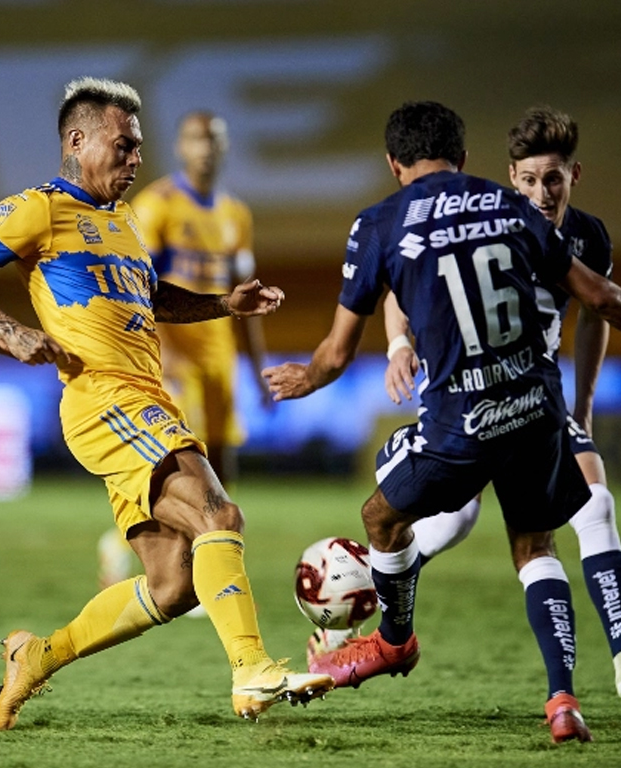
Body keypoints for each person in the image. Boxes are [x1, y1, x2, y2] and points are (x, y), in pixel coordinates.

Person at [0, 76, 334, 730]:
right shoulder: (39, 209)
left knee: (172, 585)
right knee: (217, 509)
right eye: (123, 146)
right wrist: (7, 331)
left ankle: (36, 655)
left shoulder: (121, 223)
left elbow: (152, 298)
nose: (136, 159)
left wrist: (224, 304)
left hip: (143, 399)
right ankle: (253, 668)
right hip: (102, 397)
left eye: (139, 148)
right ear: (77, 139)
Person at [263, 101, 621, 744]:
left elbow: (337, 354)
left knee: (380, 513)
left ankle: (394, 641)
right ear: (462, 157)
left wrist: (304, 378)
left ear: (394, 163)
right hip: (537, 408)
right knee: (536, 547)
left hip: (460, 418)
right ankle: (562, 701)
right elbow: (600, 298)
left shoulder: (379, 222)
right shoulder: (509, 205)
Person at [96, 111, 269, 593]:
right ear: (179, 147)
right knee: (184, 466)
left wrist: (258, 369)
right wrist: (164, 352)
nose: (207, 148)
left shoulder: (235, 213)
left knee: (224, 460)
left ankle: (204, 557)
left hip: (219, 355)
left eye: (215, 138)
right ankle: (148, 550)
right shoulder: (157, 207)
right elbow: (141, 286)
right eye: (197, 139)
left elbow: (243, 293)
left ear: (226, 146)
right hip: (175, 357)